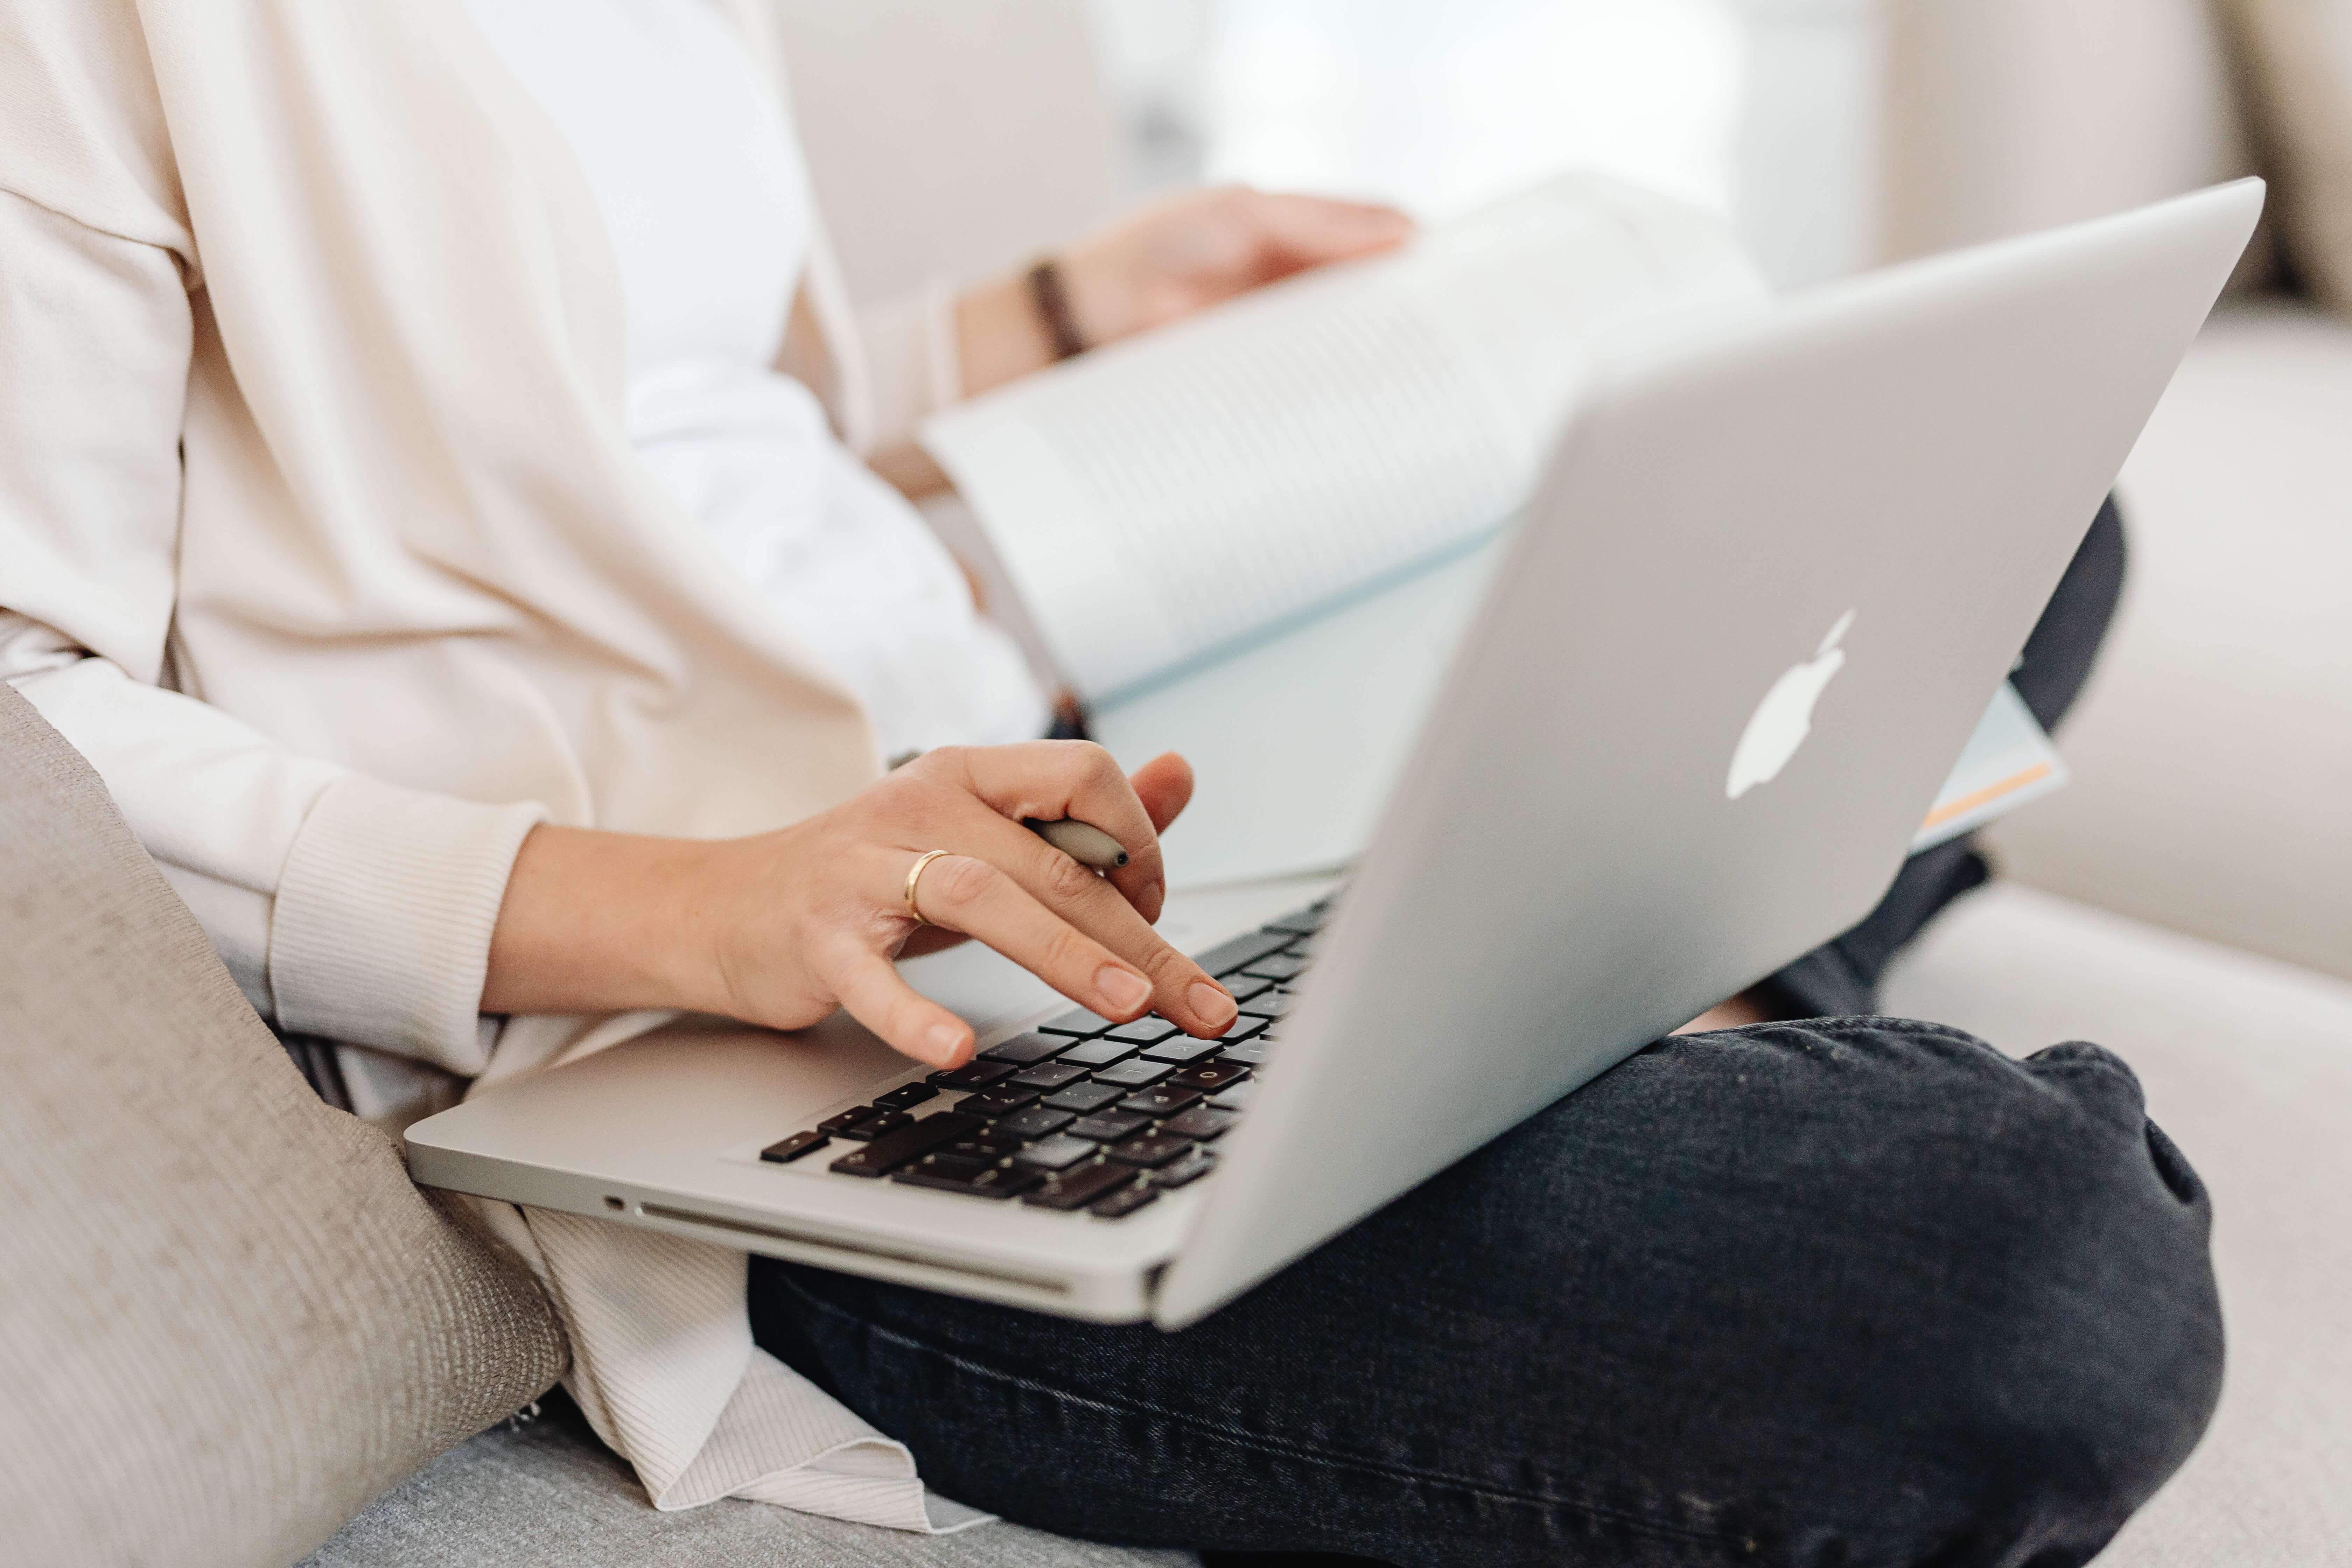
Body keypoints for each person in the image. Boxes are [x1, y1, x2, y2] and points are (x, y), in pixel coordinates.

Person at [0, 2, 2217, 1563]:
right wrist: (692, 905)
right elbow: (30, 703)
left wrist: (1057, 303)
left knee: (1988, 519)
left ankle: (1517, 1005)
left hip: (1036, 772)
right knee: (2043, 1274)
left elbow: (649, 408)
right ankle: (1595, 1006)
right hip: (755, 1036)